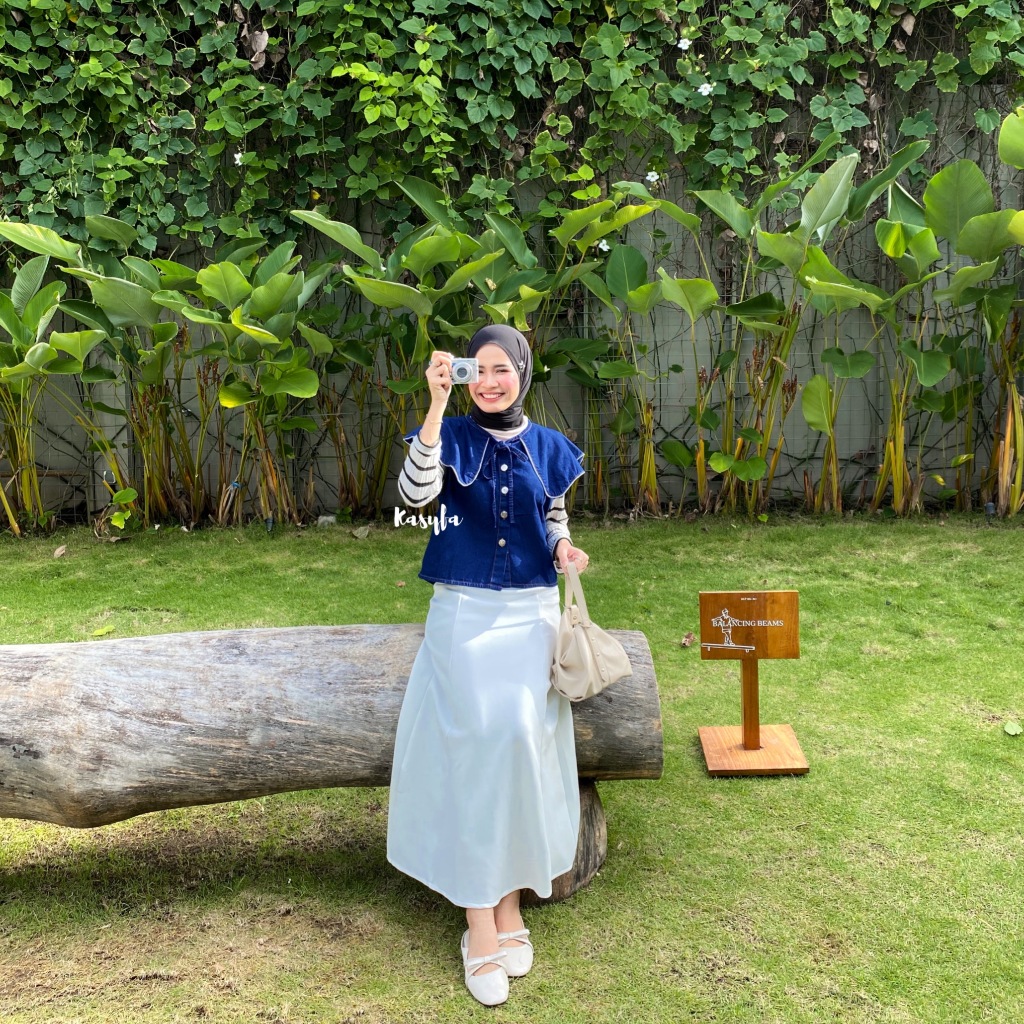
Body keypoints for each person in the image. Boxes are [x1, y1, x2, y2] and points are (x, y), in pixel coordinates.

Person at [386, 324, 591, 1006]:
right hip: (465, 617)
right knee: (476, 752)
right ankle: (480, 923)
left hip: (531, 615)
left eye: (504, 369)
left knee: (517, 746)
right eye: (480, 369)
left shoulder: (550, 446)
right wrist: (436, 404)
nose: (492, 381)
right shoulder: (447, 435)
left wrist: (562, 550)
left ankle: (508, 904)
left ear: (523, 373)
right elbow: (415, 497)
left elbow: (553, 514)